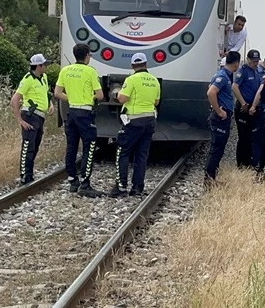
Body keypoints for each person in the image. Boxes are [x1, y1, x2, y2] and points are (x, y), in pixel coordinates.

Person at [54, 43, 105, 196]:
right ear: (87, 55)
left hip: (71, 112)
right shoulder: (90, 72)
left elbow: (57, 93)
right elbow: (100, 95)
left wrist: (70, 98)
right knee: (89, 147)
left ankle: (72, 180)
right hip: (85, 113)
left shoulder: (66, 70)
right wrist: (91, 98)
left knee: (71, 147)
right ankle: (85, 182)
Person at [111, 52, 161, 198]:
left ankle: (121, 187)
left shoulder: (131, 79)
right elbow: (156, 102)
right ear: (146, 64)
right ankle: (137, 187)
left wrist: (117, 94)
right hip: (150, 121)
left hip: (133, 121)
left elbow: (122, 98)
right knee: (141, 155)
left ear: (133, 66)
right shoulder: (154, 81)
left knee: (123, 152)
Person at [10, 54, 54, 185]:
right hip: (30, 115)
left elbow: (46, 93)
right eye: (44, 65)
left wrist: (50, 104)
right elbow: (15, 99)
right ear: (38, 66)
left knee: (35, 145)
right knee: (28, 146)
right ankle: (25, 175)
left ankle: (30, 172)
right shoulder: (28, 79)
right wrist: (20, 120)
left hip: (40, 116)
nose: (46, 67)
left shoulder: (44, 78)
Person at [204, 50, 240, 183]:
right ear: (236, 64)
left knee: (218, 148)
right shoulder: (224, 76)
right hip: (220, 118)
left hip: (221, 117)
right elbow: (211, 92)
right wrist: (219, 111)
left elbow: (210, 87)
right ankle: (209, 179)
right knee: (216, 149)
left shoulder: (221, 75)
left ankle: (212, 177)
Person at [231, 49, 265, 169]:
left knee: (251, 136)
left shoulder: (256, 72)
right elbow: (235, 87)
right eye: (253, 61)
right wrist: (243, 102)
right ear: (248, 59)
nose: (255, 63)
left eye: (257, 61)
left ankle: (249, 161)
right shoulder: (243, 71)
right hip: (243, 107)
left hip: (252, 108)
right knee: (243, 137)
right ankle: (241, 163)